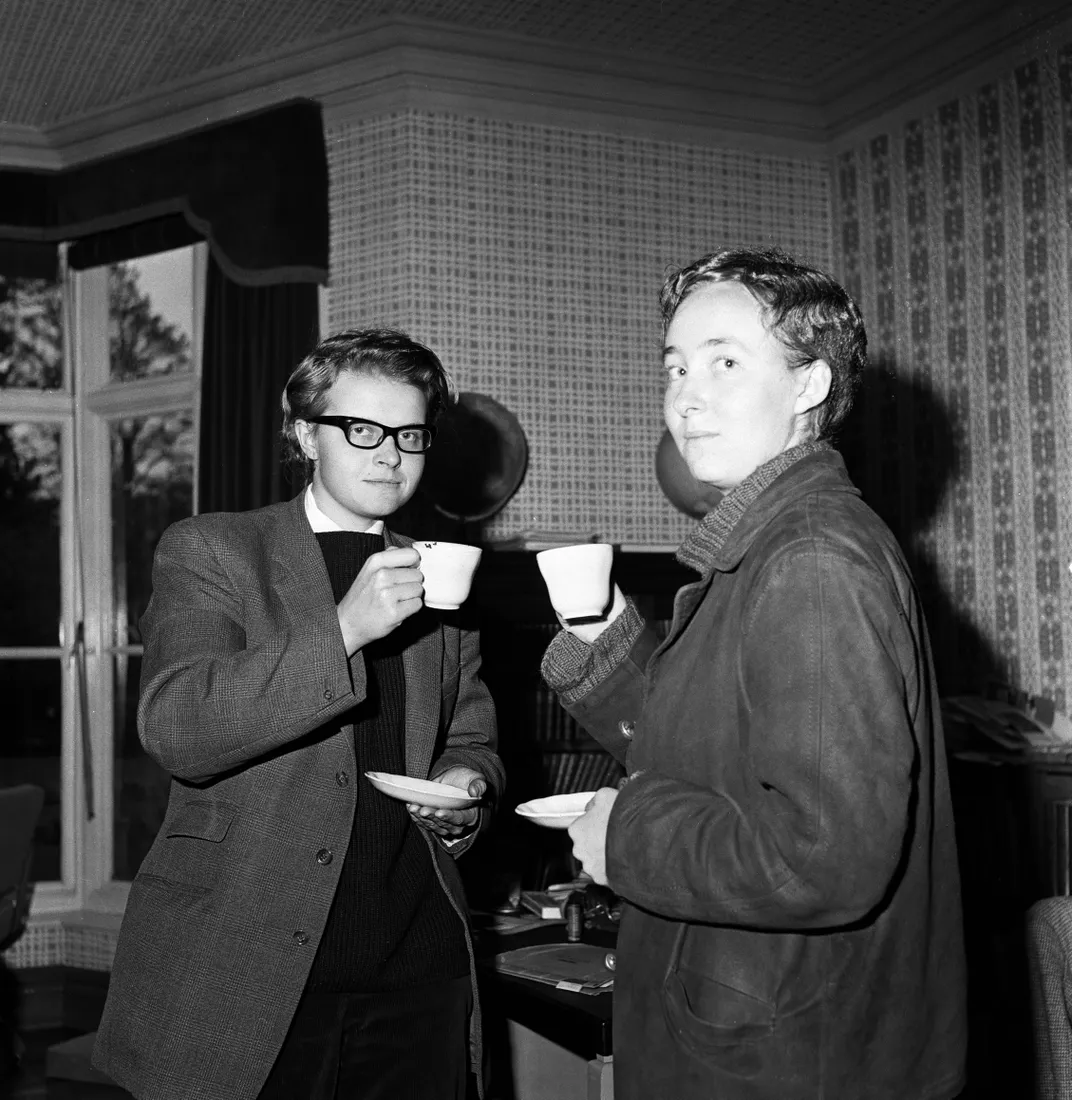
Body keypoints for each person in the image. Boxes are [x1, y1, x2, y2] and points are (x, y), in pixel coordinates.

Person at [541, 247, 967, 1099]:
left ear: (809, 385)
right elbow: (705, 751)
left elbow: (818, 860)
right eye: (676, 367)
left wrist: (623, 835)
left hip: (788, 1059)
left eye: (726, 363)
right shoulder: (772, 543)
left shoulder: (810, 559)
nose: (686, 397)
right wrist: (603, 636)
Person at [93, 329, 504, 1100]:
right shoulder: (215, 550)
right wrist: (345, 628)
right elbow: (179, 728)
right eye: (361, 429)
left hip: (416, 969)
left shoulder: (443, 575)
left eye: (409, 433)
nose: (389, 453)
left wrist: (464, 790)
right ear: (303, 433)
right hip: (247, 973)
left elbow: (472, 734)